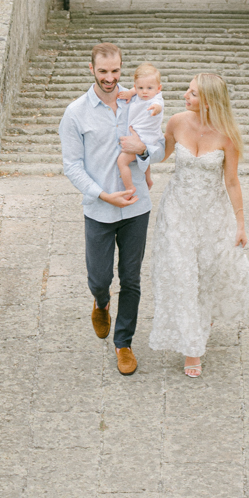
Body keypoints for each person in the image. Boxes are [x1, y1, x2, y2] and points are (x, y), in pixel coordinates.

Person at [58, 41, 159, 376]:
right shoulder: (75, 113)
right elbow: (72, 166)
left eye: (115, 70)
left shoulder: (138, 101)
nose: (110, 77)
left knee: (131, 278)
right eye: (103, 71)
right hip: (99, 208)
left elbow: (156, 146)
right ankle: (101, 302)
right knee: (100, 278)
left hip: (136, 205)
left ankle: (124, 343)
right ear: (92, 70)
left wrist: (143, 150)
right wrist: (103, 195)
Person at [147, 71, 249, 378]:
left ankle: (201, 316)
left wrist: (240, 224)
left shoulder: (227, 135)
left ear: (209, 99)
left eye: (192, 92)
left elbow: (232, 182)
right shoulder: (177, 122)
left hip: (212, 214)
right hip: (177, 212)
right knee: (182, 276)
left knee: (206, 276)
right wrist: (139, 148)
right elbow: (160, 154)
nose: (185, 95)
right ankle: (192, 350)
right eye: (188, 90)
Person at [115, 63, 165, 202]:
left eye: (150, 88)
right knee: (144, 160)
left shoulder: (156, 99)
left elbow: (159, 106)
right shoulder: (138, 94)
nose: (144, 92)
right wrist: (131, 92)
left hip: (146, 137)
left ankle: (129, 188)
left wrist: (155, 109)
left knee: (122, 161)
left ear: (158, 88)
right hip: (140, 136)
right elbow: (135, 89)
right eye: (140, 88)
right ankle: (148, 180)